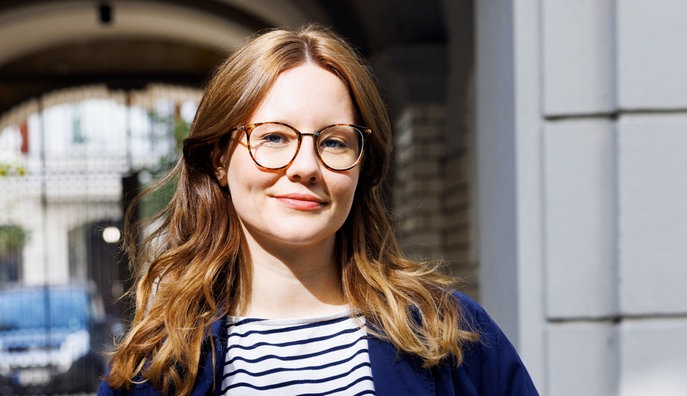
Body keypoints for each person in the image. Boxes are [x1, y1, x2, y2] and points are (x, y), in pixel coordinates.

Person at [99, 24, 538, 396]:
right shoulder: (156, 367)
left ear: (362, 166)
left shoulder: (450, 334)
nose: (306, 167)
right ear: (219, 160)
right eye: (273, 137)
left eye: (333, 141)